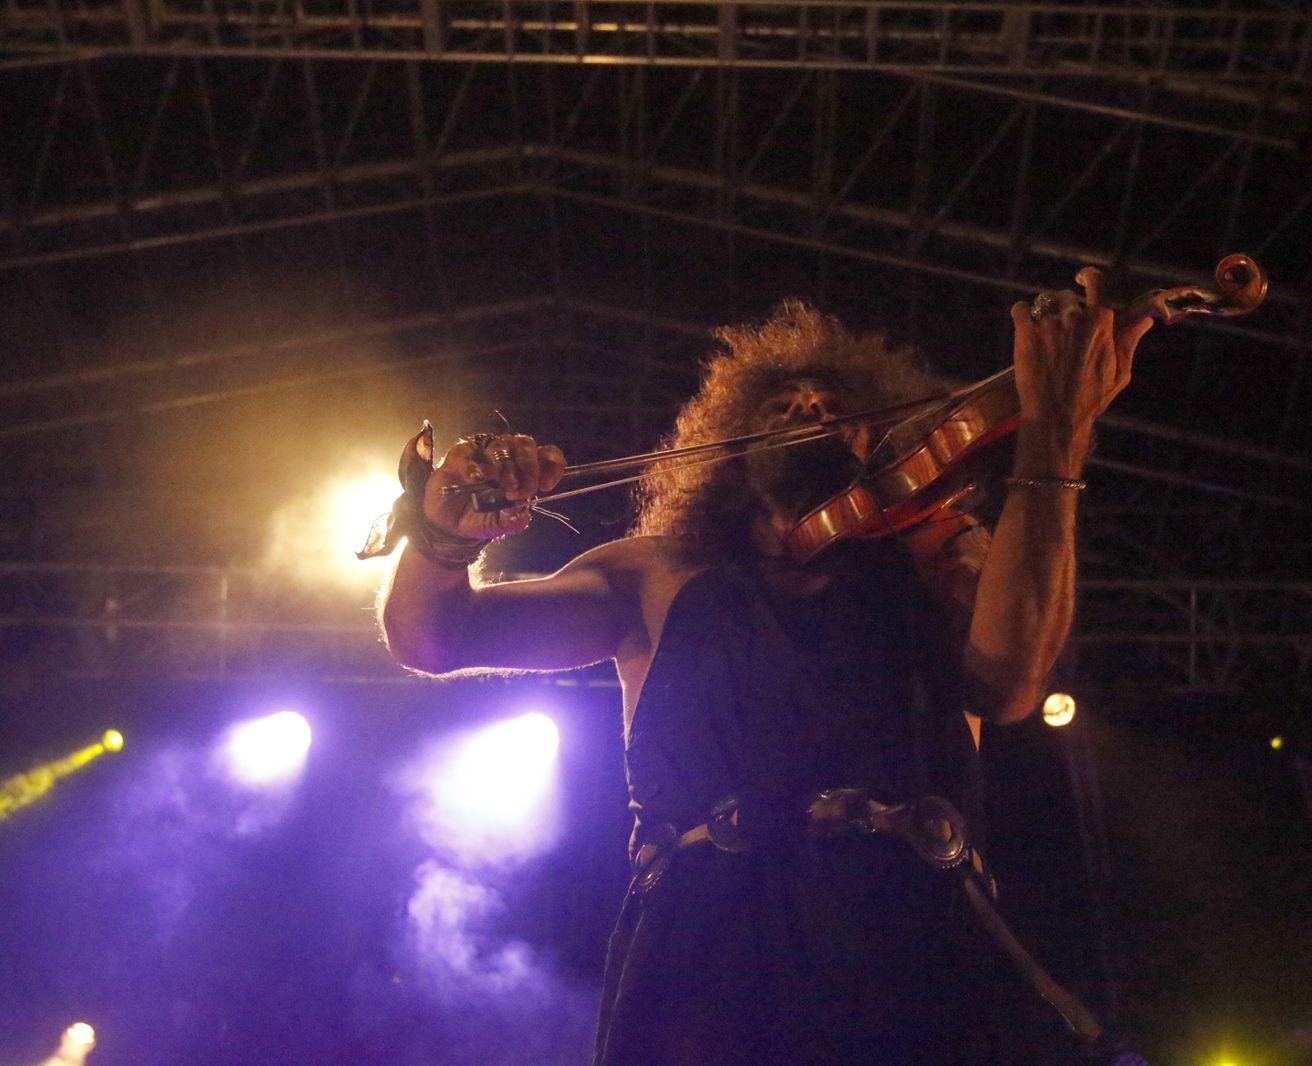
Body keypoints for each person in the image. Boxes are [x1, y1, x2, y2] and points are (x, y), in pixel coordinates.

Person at [376, 271, 1151, 1065]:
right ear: (734, 452)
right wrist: (442, 538)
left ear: (871, 446)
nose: (810, 408)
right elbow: (435, 639)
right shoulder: (654, 571)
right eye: (781, 406)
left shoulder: (931, 552)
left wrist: (1057, 434)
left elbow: (1010, 683)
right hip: (707, 955)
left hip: (913, 935)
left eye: (834, 408)